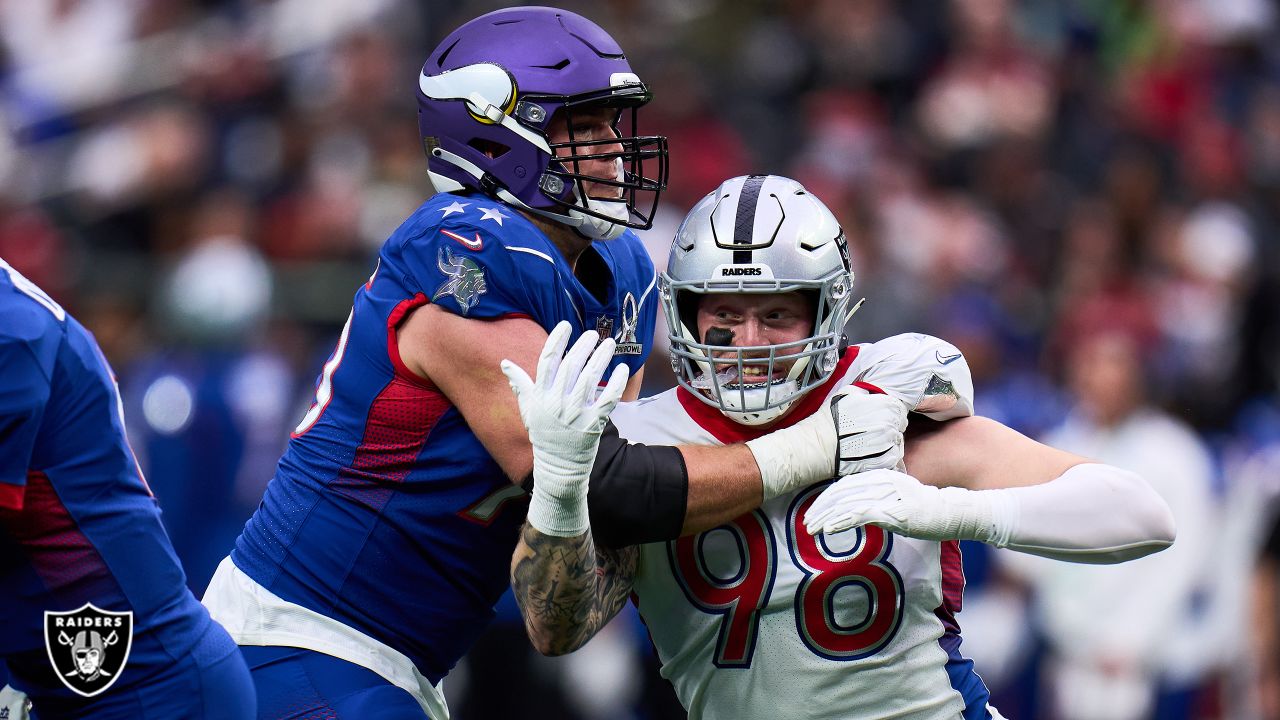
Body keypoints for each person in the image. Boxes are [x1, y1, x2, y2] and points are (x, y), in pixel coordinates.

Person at [202, 11, 887, 719]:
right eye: (582, 129)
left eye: (611, 126)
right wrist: (819, 446)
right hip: (299, 639)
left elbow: (589, 561)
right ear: (494, 135)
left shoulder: (619, 272)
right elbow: (611, 484)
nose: (613, 151)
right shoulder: (461, 250)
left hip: (397, 663)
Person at [505, 175, 1177, 719]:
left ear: (826, 310)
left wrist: (952, 514)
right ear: (684, 315)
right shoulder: (646, 441)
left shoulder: (885, 404)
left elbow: (1142, 515)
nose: (749, 344)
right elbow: (554, 629)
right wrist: (563, 492)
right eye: (725, 316)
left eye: (776, 314)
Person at [0, 257, 256, 719]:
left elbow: (179, 495)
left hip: (137, 681)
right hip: (72, 670)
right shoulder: (238, 377)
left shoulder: (173, 387)